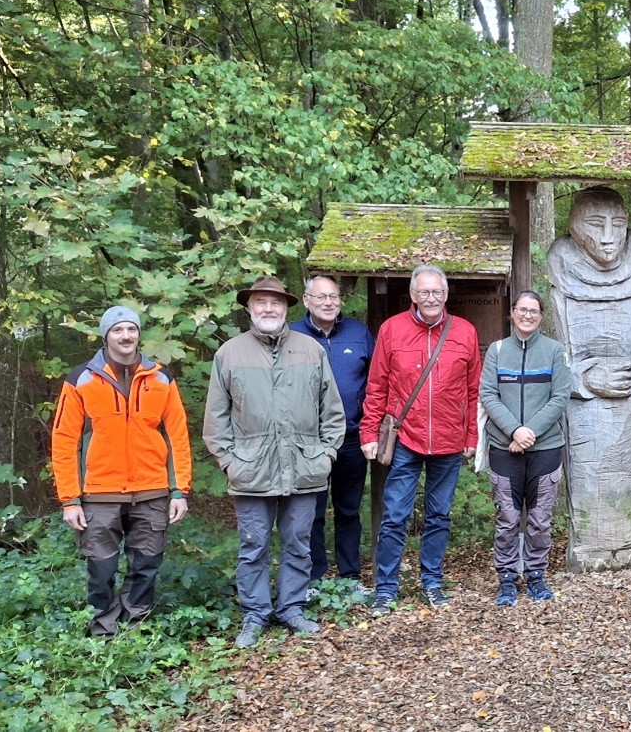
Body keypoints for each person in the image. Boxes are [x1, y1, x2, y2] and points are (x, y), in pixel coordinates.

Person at [203, 276, 345, 648]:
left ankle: (292, 608)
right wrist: (230, 462)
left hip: (304, 466)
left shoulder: (311, 350)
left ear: (286, 307)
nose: (269, 308)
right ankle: (255, 614)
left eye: (276, 302)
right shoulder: (229, 354)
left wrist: (326, 455)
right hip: (251, 470)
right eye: (261, 302)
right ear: (249, 307)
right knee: (253, 545)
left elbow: (332, 411)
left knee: (299, 542)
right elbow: (215, 420)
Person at [50, 306, 192, 637]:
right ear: (106, 336)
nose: (125, 336)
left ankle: (135, 628)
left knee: (146, 564)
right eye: (117, 330)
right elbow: (64, 441)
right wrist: (70, 499)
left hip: (152, 491)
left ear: (139, 334)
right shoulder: (81, 380)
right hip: (99, 493)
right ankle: (103, 629)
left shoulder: (161, 378)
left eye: (131, 329)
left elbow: (178, 437)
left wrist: (179, 490)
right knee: (101, 569)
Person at [360, 264, 480, 616]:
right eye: (424, 292)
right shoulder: (392, 329)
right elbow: (377, 385)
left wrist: (472, 435)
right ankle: (386, 588)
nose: (431, 298)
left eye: (437, 291)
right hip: (405, 438)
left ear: (446, 295)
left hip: (449, 437)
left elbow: (473, 390)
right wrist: (369, 432)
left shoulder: (465, 331)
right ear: (413, 295)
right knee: (395, 516)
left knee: (439, 515)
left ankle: (432, 582)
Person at [547, 186, 631, 571]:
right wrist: (585, 378)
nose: (608, 237)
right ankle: (590, 550)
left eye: (617, 224)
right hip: (585, 407)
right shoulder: (561, 261)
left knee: (627, 477)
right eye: (596, 224)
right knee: (588, 476)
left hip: (628, 404)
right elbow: (557, 356)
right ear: (575, 226)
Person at [479, 290, 571, 605]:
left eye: (534, 311)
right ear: (513, 312)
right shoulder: (497, 350)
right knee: (507, 517)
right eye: (522, 309)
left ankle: (535, 576)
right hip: (504, 447)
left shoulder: (554, 351)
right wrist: (515, 431)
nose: (527, 315)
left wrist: (530, 431)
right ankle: (507, 578)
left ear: (541, 316)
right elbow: (488, 394)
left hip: (545, 448)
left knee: (540, 518)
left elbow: (560, 396)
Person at [290, 275, 375, 596]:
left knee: (349, 511)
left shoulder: (358, 333)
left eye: (333, 297)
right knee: (310, 512)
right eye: (321, 297)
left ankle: (350, 577)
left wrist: (369, 426)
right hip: (308, 441)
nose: (328, 302)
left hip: (351, 438)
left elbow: (375, 382)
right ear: (306, 300)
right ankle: (313, 579)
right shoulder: (292, 336)